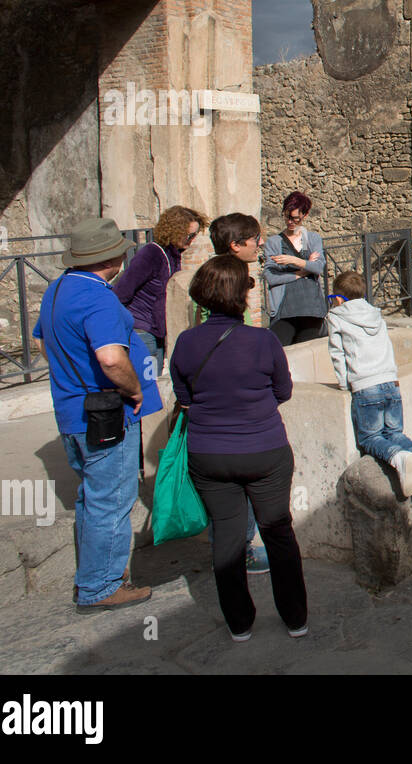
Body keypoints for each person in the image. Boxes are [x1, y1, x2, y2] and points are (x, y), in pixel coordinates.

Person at [170, 255, 307, 641]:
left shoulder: (186, 342)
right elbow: (283, 391)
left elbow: (184, 396)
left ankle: (240, 624)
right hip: (264, 449)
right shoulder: (263, 341)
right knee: (277, 531)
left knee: (227, 538)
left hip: (209, 454)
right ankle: (295, 618)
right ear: (240, 298)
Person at [33, 217, 163, 610]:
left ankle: (96, 574)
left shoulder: (58, 289)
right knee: (111, 499)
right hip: (105, 415)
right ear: (114, 258)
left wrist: (73, 371)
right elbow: (110, 357)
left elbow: (40, 340)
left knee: (92, 499)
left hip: (72, 413)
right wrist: (134, 388)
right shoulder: (98, 298)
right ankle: (100, 586)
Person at [196, 212, 269, 573]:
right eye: (254, 238)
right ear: (235, 245)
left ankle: (235, 549)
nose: (260, 243)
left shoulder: (235, 277)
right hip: (229, 402)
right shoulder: (216, 281)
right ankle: (234, 553)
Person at [326, 270, 412, 498]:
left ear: (338, 298)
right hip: (390, 382)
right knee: (394, 431)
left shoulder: (336, 317)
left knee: (370, 438)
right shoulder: (375, 314)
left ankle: (400, 458)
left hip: (366, 385)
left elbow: (337, 353)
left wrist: (345, 383)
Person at [115, 205, 208, 376]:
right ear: (174, 231)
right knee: (149, 383)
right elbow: (122, 292)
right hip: (143, 330)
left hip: (158, 331)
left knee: (157, 381)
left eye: (194, 235)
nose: (191, 240)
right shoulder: (151, 254)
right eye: (189, 235)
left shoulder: (174, 254)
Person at [264, 191, 327, 346]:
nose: (290, 221)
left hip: (311, 308)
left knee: (306, 354)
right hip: (284, 310)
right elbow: (271, 277)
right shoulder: (274, 242)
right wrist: (303, 271)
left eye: (295, 218)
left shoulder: (312, 238)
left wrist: (293, 261)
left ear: (305, 215)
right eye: (287, 216)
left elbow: (319, 267)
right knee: (282, 351)